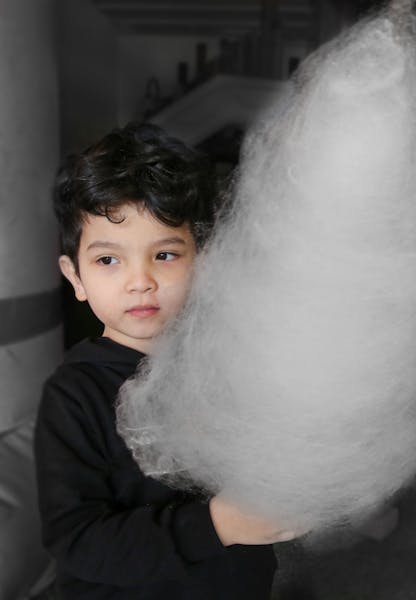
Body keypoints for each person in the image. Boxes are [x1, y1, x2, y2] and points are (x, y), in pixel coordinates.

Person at [34, 122, 295, 600]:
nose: (140, 280)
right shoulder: (74, 396)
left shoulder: (230, 369)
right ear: (75, 277)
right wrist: (218, 524)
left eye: (167, 254)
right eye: (109, 260)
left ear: (204, 262)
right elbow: (78, 540)